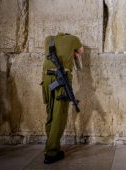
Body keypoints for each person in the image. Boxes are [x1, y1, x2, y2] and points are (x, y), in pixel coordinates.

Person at [41, 33, 84, 164]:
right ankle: (51, 153)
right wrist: (74, 54)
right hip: (61, 78)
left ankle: (51, 144)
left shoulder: (48, 39)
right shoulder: (74, 39)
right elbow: (80, 53)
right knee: (59, 115)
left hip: (46, 78)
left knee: (51, 113)